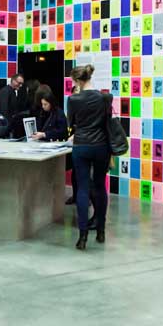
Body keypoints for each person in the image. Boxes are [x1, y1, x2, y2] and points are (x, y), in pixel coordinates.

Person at [67, 65, 111, 250]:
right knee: (100, 187)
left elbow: (71, 122)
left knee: (83, 189)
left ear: (77, 81)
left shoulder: (73, 99)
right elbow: (107, 122)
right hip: (101, 146)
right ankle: (101, 231)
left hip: (81, 146)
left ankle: (82, 236)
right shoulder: (105, 98)